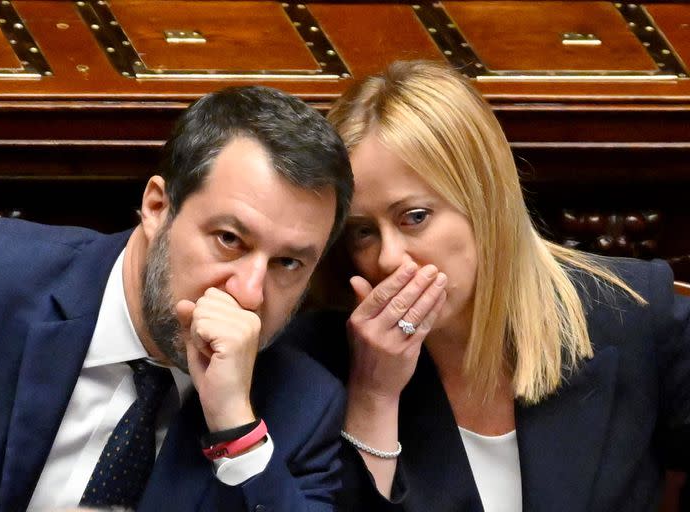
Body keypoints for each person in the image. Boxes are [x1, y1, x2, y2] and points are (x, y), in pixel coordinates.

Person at [0, 85, 353, 511]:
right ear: (157, 207)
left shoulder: (301, 407)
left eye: (288, 264)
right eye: (229, 239)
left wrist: (234, 427)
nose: (249, 292)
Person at [283, 60, 690, 511]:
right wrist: (375, 396)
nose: (388, 258)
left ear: (484, 201)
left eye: (414, 217)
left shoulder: (630, 311)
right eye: (363, 231)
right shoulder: (317, 358)